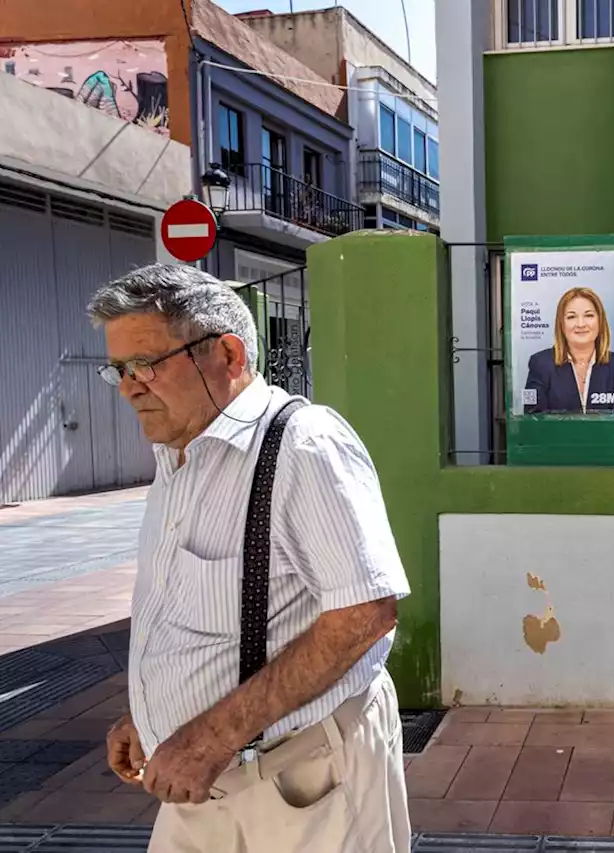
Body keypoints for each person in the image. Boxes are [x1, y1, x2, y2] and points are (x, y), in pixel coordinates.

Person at [87, 264, 412, 853]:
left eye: (146, 365)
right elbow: (188, 612)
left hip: (302, 781)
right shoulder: (177, 455)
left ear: (228, 354)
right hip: (196, 777)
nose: (130, 386)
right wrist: (150, 712)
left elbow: (365, 615)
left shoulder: (303, 444)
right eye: (119, 371)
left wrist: (209, 738)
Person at [524, 286, 614, 413]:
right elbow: (533, 418)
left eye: (589, 315)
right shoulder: (540, 364)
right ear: (561, 324)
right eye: (571, 317)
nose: (581, 324)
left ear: (600, 321)